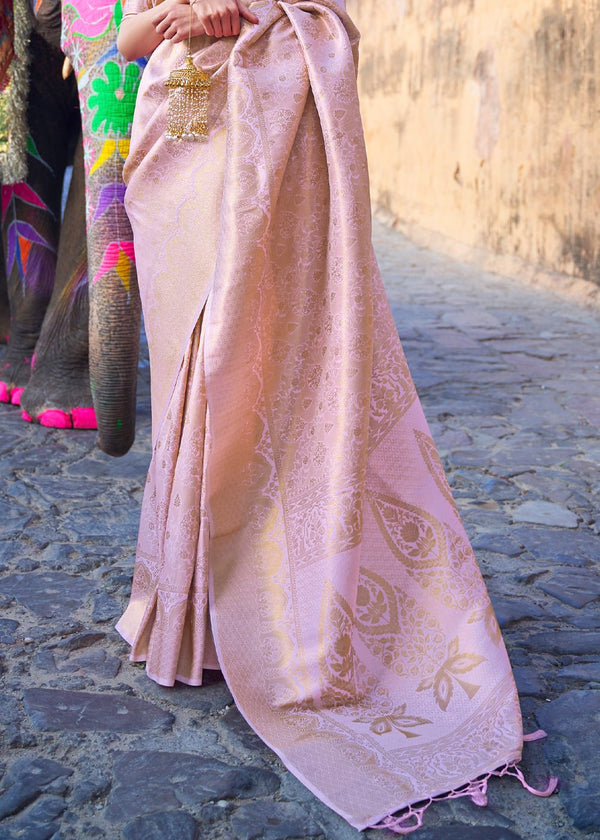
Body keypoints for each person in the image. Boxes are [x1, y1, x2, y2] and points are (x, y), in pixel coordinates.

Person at [115, 0, 556, 833]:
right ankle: (192, 616)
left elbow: (332, 19)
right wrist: (182, 15)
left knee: (250, 368)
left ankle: (276, 617)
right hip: (188, 134)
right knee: (192, 374)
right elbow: (130, 36)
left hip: (277, 140)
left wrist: (245, 11)